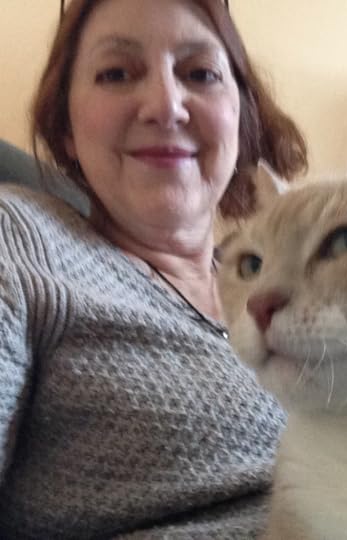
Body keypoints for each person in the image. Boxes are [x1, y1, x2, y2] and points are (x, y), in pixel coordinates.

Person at [0, 0, 307, 538]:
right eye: (116, 74)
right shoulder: (21, 237)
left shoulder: (292, 281)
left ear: (241, 116)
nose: (166, 106)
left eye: (200, 74)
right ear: (66, 127)